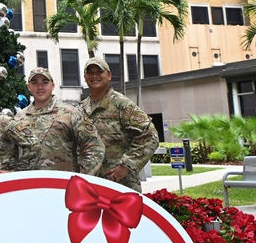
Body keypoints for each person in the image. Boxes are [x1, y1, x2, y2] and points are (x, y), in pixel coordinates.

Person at [79, 57, 159, 191]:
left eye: (99, 72)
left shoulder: (121, 104)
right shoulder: (80, 109)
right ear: (85, 77)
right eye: (90, 72)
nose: (95, 76)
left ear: (109, 75)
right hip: (90, 186)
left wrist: (127, 166)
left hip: (121, 185)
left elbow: (150, 136)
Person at [16, 67, 104, 175]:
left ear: (52, 86)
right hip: (28, 186)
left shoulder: (70, 113)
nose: (40, 87)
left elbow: (94, 146)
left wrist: (83, 178)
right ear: (29, 87)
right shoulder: (19, 118)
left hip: (62, 186)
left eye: (45, 82)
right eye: (35, 83)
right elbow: (11, 152)